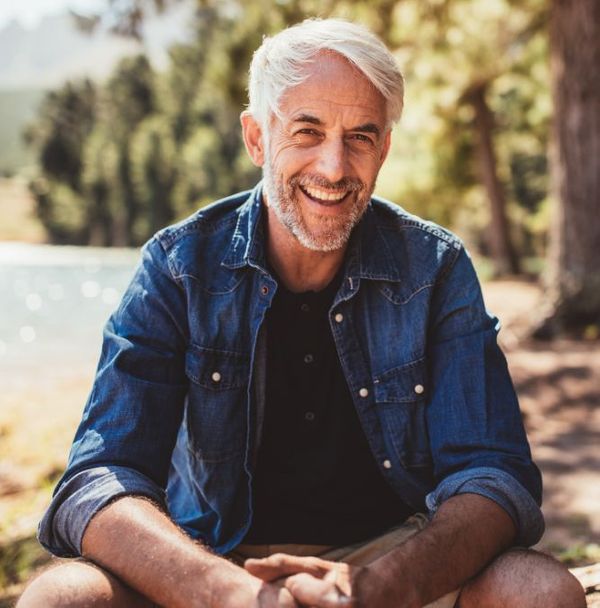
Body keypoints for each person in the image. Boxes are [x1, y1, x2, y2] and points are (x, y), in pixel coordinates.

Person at [19, 18, 585, 608]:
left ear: (384, 148)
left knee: (537, 591)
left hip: (398, 560)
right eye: (307, 131)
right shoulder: (178, 266)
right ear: (257, 137)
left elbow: (494, 476)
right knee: (64, 597)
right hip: (212, 561)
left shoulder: (435, 268)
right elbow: (100, 477)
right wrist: (231, 594)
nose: (335, 167)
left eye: (361, 136)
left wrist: (378, 588)